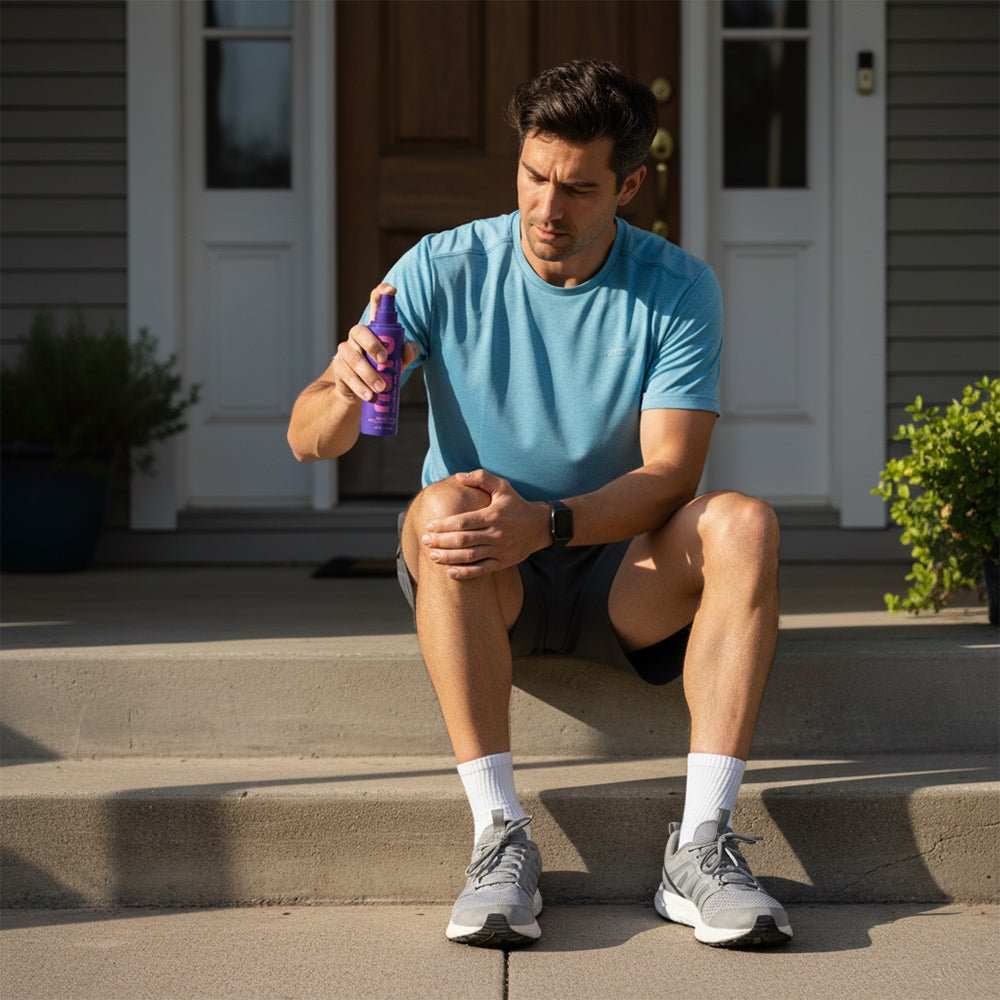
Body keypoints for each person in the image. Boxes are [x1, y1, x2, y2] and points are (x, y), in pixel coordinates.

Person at [287, 58, 792, 950]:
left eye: (578, 189)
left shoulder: (677, 287)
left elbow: (672, 474)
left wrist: (549, 523)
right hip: (490, 577)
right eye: (533, 176)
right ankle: (499, 839)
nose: (547, 208)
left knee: (744, 523)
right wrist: (343, 383)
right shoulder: (443, 267)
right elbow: (309, 440)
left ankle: (701, 847)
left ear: (627, 187)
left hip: (622, 578)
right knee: (439, 508)